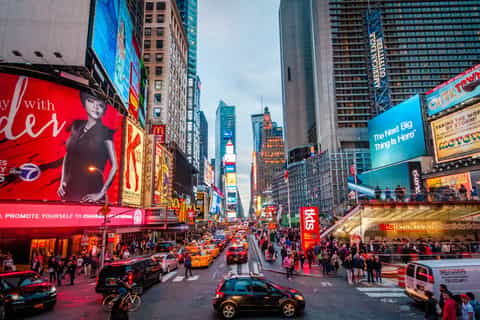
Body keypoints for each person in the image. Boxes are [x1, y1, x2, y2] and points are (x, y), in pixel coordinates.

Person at [57, 91, 118, 202]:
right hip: (70, 187)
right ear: (84, 104)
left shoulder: (105, 132)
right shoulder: (77, 125)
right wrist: (63, 180)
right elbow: (68, 154)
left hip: (91, 188)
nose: (96, 107)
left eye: (100, 105)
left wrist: (101, 193)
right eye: (91, 102)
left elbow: (115, 166)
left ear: (104, 111)